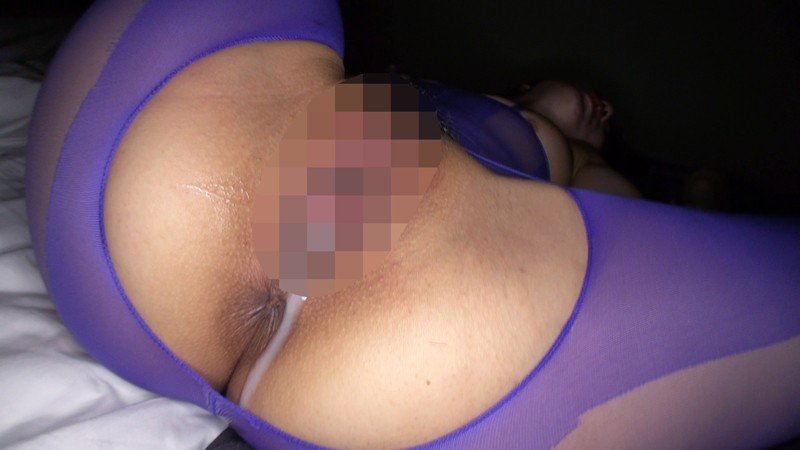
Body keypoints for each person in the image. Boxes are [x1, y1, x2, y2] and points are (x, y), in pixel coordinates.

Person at [25, 1, 800, 449]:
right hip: (179, 206)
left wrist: (690, 195)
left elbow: (657, 251)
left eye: (603, 127)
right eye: (579, 101)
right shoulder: (448, 102)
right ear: (525, 86)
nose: (603, 112)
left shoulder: (583, 179)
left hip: (132, 252)